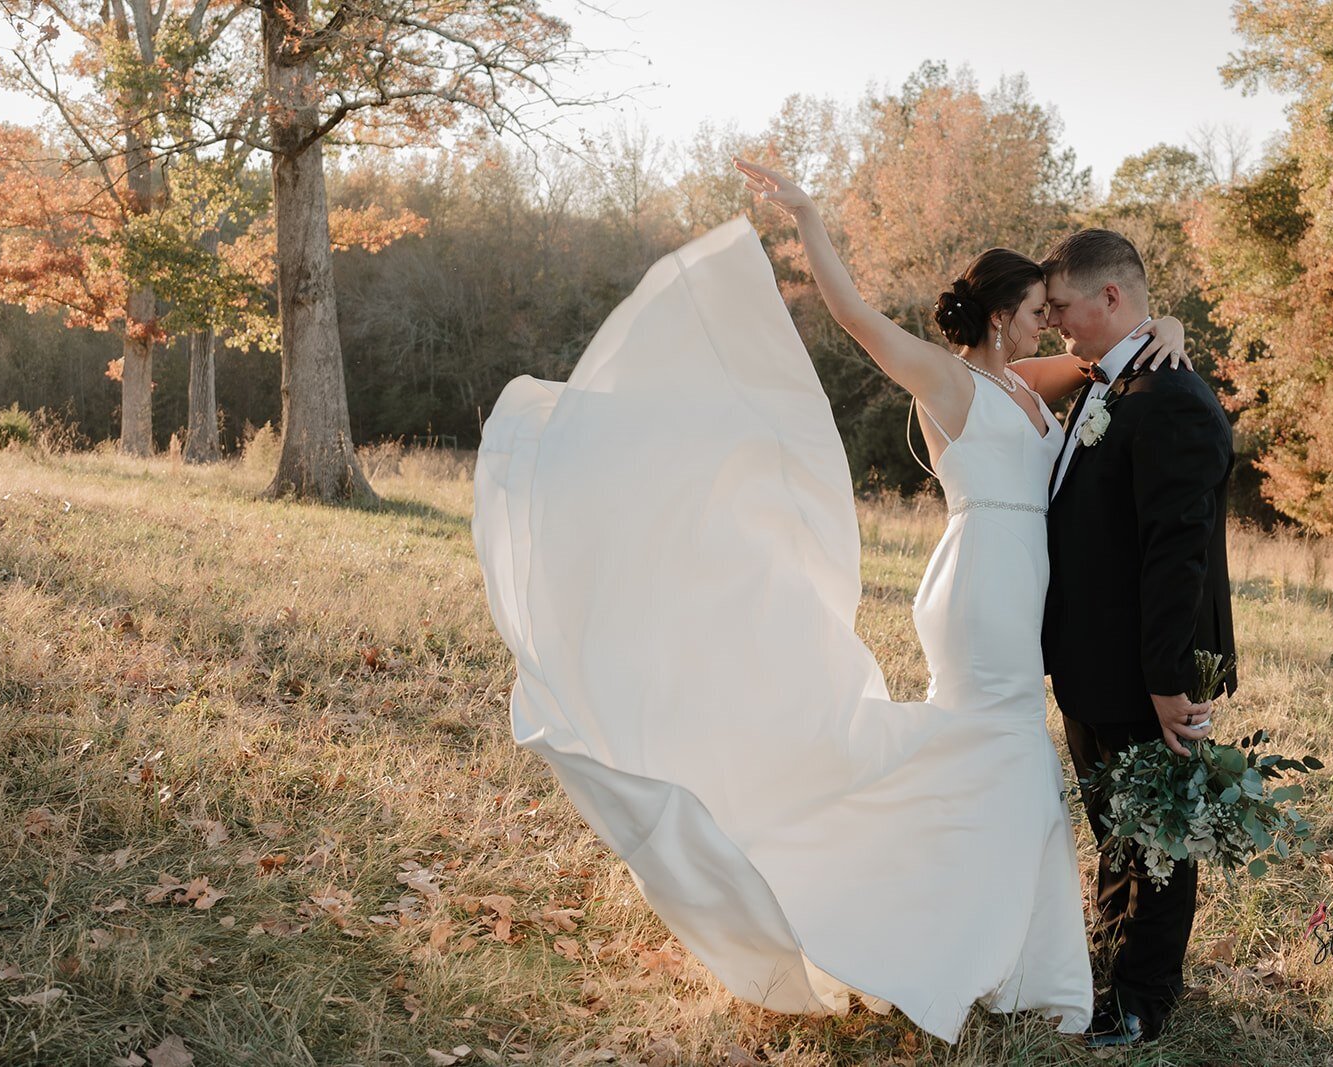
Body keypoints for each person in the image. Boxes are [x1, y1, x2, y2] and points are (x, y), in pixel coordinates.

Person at [469, 153, 1187, 1042]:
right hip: (981, 593)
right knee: (1011, 760)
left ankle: (979, 945)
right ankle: (944, 946)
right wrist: (808, 219)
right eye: (1040, 311)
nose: (1053, 325)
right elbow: (854, 316)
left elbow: (1111, 366)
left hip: (1018, 589)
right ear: (1003, 317)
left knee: (991, 759)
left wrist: (1170, 328)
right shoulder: (951, 379)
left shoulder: (1022, 385)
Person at [1039, 228, 1238, 1047]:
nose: (1056, 325)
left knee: (1156, 837)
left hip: (1142, 672)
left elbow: (1175, 557)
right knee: (1117, 831)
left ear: (1111, 298)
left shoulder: (1174, 402)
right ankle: (1115, 962)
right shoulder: (1110, 384)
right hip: (1093, 664)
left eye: (1063, 309)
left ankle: (1142, 1001)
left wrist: (1167, 684)